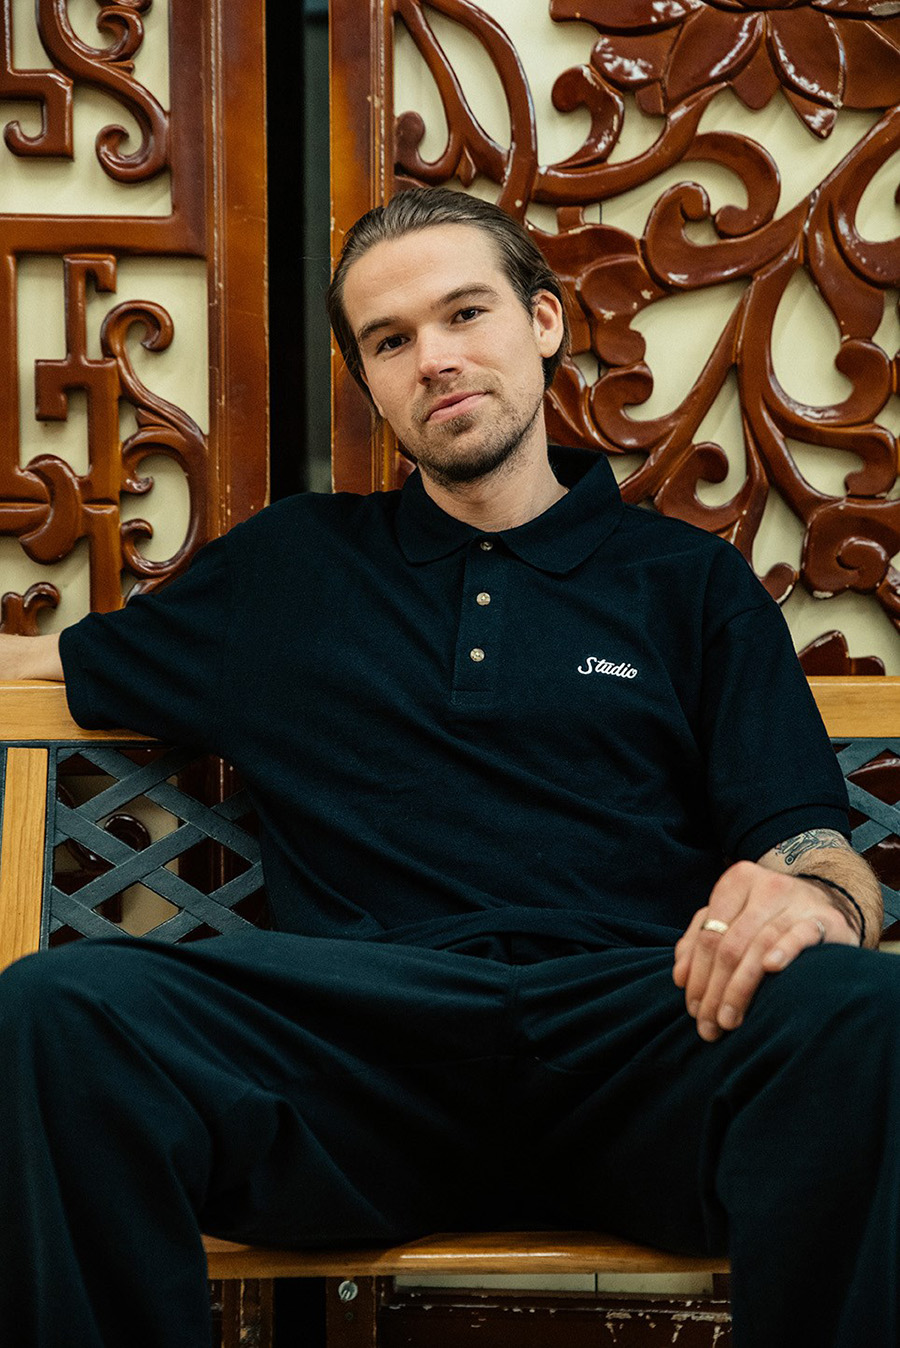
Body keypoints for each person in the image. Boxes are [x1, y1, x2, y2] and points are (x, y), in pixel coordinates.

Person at [0, 186, 894, 1348]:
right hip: (360, 1057)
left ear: (543, 321)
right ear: (369, 382)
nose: (434, 358)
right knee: (58, 1013)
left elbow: (808, 837)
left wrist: (822, 901)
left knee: (864, 1014)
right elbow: (44, 662)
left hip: (635, 1039)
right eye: (390, 340)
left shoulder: (689, 583)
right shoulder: (288, 571)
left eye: (464, 313)